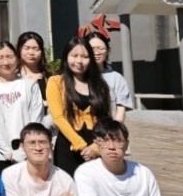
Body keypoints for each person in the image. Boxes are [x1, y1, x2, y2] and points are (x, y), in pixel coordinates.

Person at [47, 36, 112, 175]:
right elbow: (57, 117)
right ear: (66, 57)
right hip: (68, 148)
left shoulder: (100, 85)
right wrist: (80, 144)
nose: (79, 61)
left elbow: (106, 120)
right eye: (74, 55)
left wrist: (95, 147)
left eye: (85, 56)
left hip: (96, 148)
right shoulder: (55, 82)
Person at [0, 40, 44, 169]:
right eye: (0, 58)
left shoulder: (30, 85)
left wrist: (24, 149)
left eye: (9, 56)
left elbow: (37, 121)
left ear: (17, 58)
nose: (6, 62)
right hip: (0, 156)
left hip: (29, 153)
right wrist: (8, 152)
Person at [2, 122, 78, 196]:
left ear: (51, 146)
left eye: (42, 142)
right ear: (23, 147)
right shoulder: (11, 175)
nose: (38, 148)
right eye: (32, 143)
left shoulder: (65, 180)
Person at [88, 35, 135, 121]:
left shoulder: (116, 78)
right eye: (92, 48)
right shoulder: (78, 76)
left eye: (101, 48)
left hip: (108, 127)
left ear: (108, 51)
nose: (97, 52)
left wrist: (114, 128)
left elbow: (120, 112)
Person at [16, 31, 52, 124]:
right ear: (19, 49)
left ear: (42, 52)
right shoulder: (12, 78)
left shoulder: (49, 79)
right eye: (27, 48)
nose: (31, 52)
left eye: (36, 49)